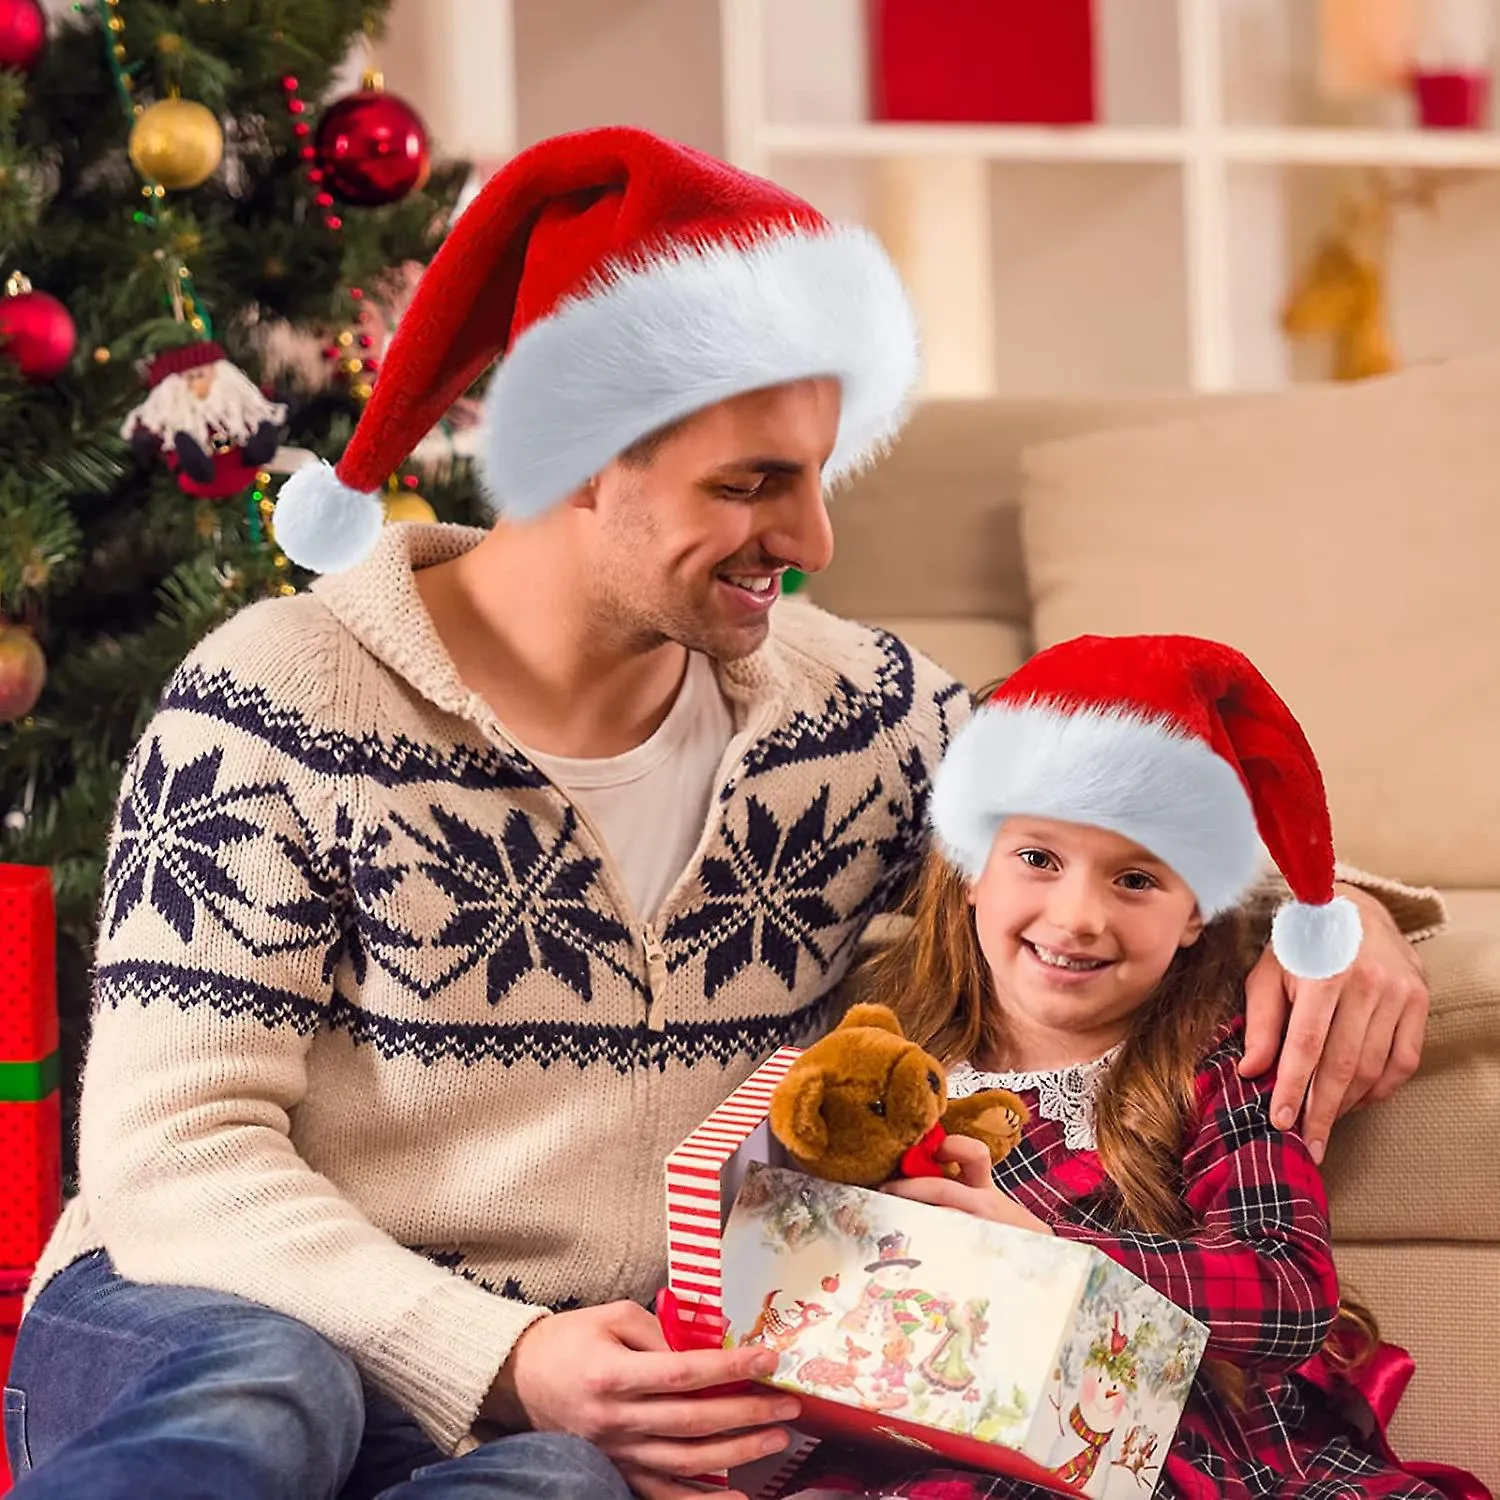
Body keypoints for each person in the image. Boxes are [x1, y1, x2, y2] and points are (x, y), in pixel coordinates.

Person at [0, 126, 1441, 1500]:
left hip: (582, 1395)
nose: (811, 543)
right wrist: (497, 1353)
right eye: (752, 485)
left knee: (557, 1487)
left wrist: (1345, 907)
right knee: (279, 1394)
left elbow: (1100, 817)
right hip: (214, 1313)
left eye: (817, 477)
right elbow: (173, 1156)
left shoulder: (851, 711)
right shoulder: (277, 698)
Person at [773, 634, 1483, 1499]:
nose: (1076, 919)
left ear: (1198, 913)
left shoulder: (1221, 1059)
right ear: (968, 869)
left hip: (1167, 1447)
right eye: (1038, 859)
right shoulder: (889, 1065)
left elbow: (1291, 1293)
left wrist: (1051, 1254)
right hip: (940, 1429)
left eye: (1137, 878)